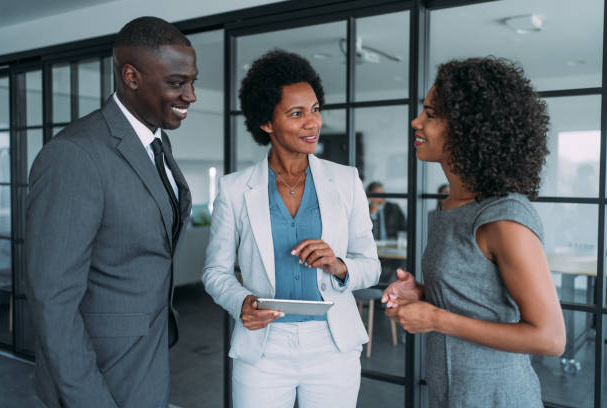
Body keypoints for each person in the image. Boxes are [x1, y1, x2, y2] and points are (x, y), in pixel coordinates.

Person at [26, 17, 197, 408]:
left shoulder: (157, 141)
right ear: (131, 77)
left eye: (192, 81)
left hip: (148, 356)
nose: (190, 96)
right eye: (176, 82)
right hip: (98, 373)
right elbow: (53, 300)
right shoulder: (75, 155)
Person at [382, 57, 565, 407]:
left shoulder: (504, 217)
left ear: (468, 127)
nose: (416, 122)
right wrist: (423, 294)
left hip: (499, 397)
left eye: (431, 114)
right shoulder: (452, 205)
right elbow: (475, 298)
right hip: (450, 393)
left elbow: (550, 338)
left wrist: (436, 318)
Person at [202, 49, 380, 407]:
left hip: (332, 344)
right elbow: (214, 271)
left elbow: (371, 265)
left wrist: (339, 266)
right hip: (263, 347)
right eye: (296, 114)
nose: (312, 123)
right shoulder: (235, 189)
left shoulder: (345, 181)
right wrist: (242, 303)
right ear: (266, 123)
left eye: (314, 109)